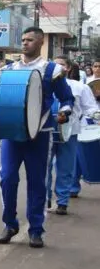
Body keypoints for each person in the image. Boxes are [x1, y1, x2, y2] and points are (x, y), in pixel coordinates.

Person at [0, 27, 74, 249]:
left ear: (40, 42)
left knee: (37, 182)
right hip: (12, 134)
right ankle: (10, 224)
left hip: (40, 134)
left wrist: (64, 112)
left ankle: (36, 229)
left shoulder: (52, 70)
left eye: (29, 40)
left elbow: (67, 99)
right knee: (8, 178)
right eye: (23, 39)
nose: (24, 43)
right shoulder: (9, 69)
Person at [46, 58, 100, 215]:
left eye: (62, 64)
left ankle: (62, 201)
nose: (58, 67)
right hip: (47, 130)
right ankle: (46, 197)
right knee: (45, 166)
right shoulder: (44, 85)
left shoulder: (80, 87)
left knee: (66, 167)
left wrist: (97, 115)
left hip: (70, 132)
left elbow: (90, 109)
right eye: (55, 64)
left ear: (68, 68)